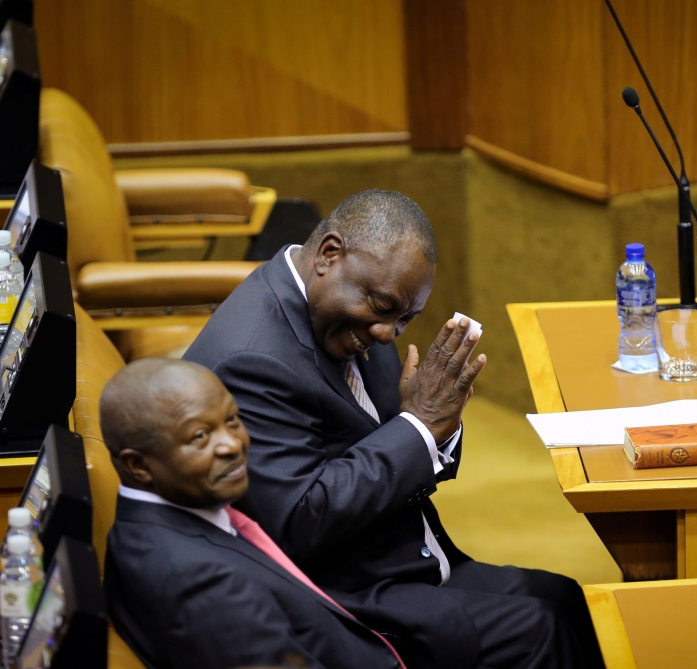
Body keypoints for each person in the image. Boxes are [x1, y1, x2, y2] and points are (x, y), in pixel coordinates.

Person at [184, 190, 604, 669]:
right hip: (332, 597)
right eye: (384, 308)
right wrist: (419, 427)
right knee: (539, 632)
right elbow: (297, 523)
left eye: (405, 319)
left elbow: (400, 436)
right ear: (329, 255)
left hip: (394, 554)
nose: (387, 333)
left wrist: (437, 427)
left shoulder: (351, 311)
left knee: (565, 599)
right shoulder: (254, 359)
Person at [100, 358, 406, 669]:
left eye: (232, 419)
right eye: (200, 436)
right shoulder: (205, 585)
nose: (233, 444)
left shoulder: (150, 521)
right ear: (138, 466)